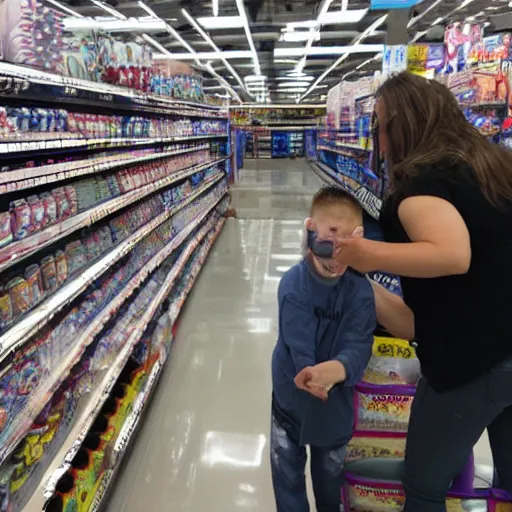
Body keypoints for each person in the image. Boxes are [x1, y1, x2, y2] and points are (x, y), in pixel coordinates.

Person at [295, 72, 512, 512]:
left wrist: (368, 253)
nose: (377, 139)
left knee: (425, 485)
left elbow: (453, 256)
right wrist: (357, 280)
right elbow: (430, 315)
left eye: (378, 125)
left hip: (474, 365)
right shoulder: (492, 170)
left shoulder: (419, 187)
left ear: (400, 125)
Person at [271, 186, 376, 512]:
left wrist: (339, 369)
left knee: (331, 481)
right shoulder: (293, 284)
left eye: (347, 244)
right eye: (328, 242)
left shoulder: (360, 293)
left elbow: (358, 343)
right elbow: (295, 336)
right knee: (286, 473)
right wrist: (310, 371)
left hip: (335, 409)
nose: (336, 258)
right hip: (289, 402)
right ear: (310, 231)